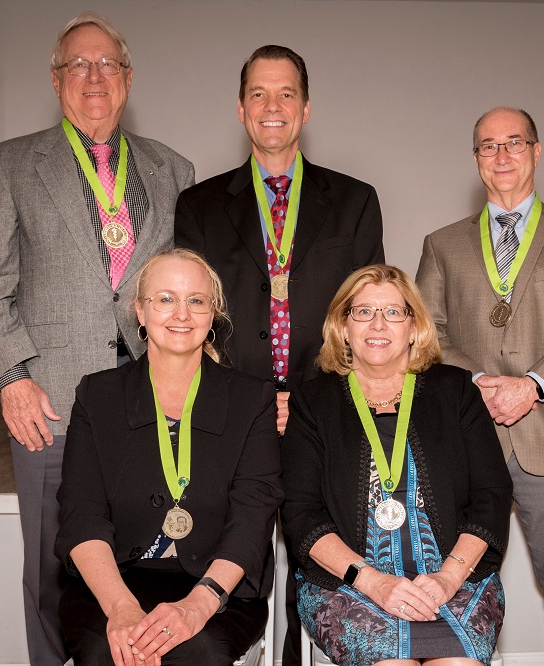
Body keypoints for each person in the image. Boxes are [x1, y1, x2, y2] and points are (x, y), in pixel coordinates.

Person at [0, 12, 194, 663]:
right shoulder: (12, 165)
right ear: (56, 78)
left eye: (107, 65)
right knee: (51, 568)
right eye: (79, 65)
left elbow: (191, 288)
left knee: (147, 562)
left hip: (150, 405)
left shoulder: (173, 169)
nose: (94, 77)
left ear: (127, 78)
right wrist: (13, 380)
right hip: (52, 404)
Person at [174, 44, 385, 664]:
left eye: (286, 94)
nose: (273, 107)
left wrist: (307, 398)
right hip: (232, 410)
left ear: (306, 108)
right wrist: (255, 402)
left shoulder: (355, 200)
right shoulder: (201, 205)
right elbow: (192, 317)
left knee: (320, 558)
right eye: (260, 95)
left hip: (325, 409)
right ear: (241, 110)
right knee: (237, 558)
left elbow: (366, 313)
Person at [416, 107, 544, 666]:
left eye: (514, 143)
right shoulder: (443, 244)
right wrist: (478, 380)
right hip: (466, 436)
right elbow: (426, 328)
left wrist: (534, 384)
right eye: (488, 146)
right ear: (476, 159)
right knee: (448, 578)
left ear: (537, 151)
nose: (501, 155)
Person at [55, 248, 283, 666]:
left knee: (196, 651)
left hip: (217, 586)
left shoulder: (253, 398)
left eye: (196, 300)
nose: (181, 313)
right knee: (108, 651)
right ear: (139, 312)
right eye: (165, 299)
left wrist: (199, 605)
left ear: (212, 315)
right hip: (114, 581)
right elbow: (81, 514)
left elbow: (253, 513)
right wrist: (121, 608)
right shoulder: (97, 395)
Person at [281, 264, 513, 666]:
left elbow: (492, 495)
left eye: (393, 312)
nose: (378, 324)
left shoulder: (455, 391)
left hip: (453, 580)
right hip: (348, 584)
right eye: (363, 311)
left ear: (414, 327)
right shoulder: (312, 402)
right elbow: (301, 513)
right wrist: (374, 582)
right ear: (343, 326)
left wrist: (447, 578)